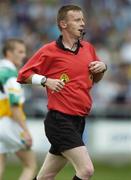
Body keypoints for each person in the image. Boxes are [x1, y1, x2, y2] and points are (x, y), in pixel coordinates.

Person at [17, 5, 107, 180]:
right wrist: (45, 80)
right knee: (86, 170)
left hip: (79, 120)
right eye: (77, 20)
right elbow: (23, 75)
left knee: (46, 176)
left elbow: (95, 80)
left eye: (83, 19)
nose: (82, 23)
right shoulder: (49, 51)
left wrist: (102, 69)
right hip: (59, 121)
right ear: (63, 24)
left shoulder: (88, 48)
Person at [0, 39, 37, 180]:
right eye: (20, 52)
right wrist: (26, 131)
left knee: (0, 164)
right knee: (30, 166)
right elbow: (14, 105)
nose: (24, 55)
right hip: (9, 123)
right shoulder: (10, 75)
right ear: (9, 53)